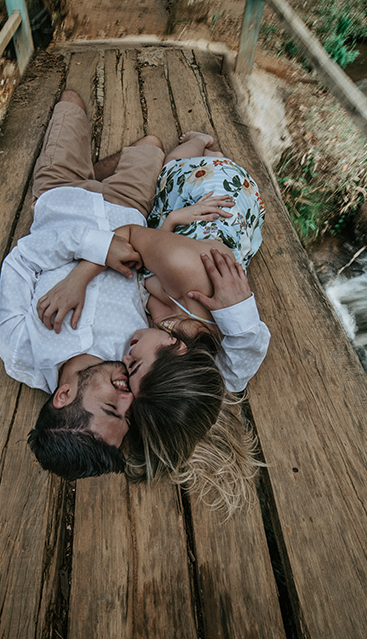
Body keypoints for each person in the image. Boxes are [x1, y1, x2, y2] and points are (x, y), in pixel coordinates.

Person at [0, 91, 224, 482]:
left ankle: (91, 171)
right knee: (151, 144)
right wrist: (162, 230)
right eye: (127, 414)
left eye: (112, 408)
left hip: (58, 197)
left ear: (63, 397)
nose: (127, 395)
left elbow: (22, 259)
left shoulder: (19, 346)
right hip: (127, 206)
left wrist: (90, 257)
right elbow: (149, 280)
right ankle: (103, 172)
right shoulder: (136, 358)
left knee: (71, 100)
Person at [35, 131, 270, 512]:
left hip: (174, 237)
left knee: (156, 221)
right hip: (218, 192)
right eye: (135, 365)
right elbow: (127, 236)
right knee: (175, 164)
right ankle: (203, 141)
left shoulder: (186, 359)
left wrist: (168, 228)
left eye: (127, 375)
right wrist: (77, 278)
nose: (123, 359)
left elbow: (232, 376)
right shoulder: (188, 278)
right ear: (176, 346)